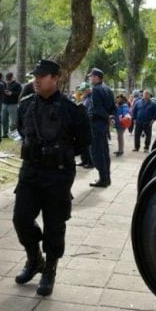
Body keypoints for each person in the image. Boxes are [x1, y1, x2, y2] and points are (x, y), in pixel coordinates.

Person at [13, 59, 91, 296]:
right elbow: (20, 130)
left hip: (58, 174)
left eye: (42, 76)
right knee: (21, 219)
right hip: (30, 171)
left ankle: (50, 269)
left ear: (56, 78)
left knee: (54, 225)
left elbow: (84, 140)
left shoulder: (72, 109)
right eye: (35, 76)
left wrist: (62, 154)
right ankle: (34, 258)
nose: (36, 80)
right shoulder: (25, 105)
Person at [87, 67, 115, 187]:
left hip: (97, 124)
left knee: (97, 153)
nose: (90, 79)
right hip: (103, 125)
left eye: (91, 76)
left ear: (96, 77)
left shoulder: (96, 90)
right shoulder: (108, 89)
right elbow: (113, 107)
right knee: (104, 152)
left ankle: (103, 179)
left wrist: (107, 117)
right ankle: (106, 178)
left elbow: (97, 109)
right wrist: (110, 116)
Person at [2, 71, 22, 139]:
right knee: (4, 119)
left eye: (9, 77)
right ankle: (5, 133)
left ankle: (14, 133)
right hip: (4, 103)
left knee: (14, 121)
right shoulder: (5, 84)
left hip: (13, 104)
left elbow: (20, 93)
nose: (8, 79)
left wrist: (12, 93)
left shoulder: (17, 85)